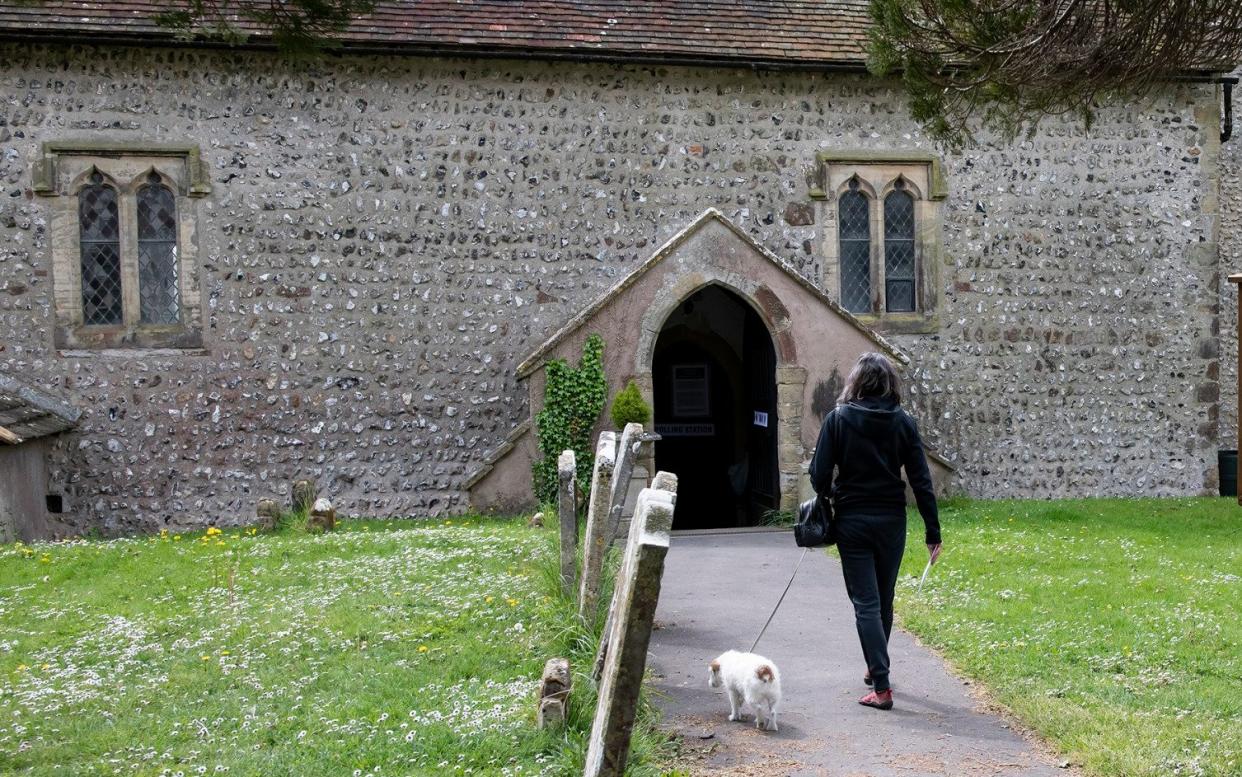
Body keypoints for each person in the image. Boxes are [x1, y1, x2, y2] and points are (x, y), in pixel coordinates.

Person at [808, 352, 941, 710]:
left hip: (852, 519)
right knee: (883, 598)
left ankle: (881, 687)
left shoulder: (837, 419)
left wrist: (830, 491)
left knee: (865, 602)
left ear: (856, 382)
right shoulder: (903, 422)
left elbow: (819, 475)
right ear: (889, 384)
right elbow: (921, 480)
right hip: (891, 521)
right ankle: (875, 665)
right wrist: (933, 531)